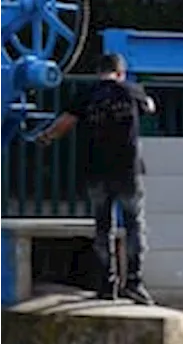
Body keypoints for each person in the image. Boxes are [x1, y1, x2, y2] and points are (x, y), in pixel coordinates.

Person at [37, 53, 157, 305]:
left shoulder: (87, 94)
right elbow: (150, 107)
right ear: (120, 72)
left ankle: (107, 284)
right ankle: (134, 283)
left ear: (98, 72)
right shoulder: (131, 91)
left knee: (103, 229)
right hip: (128, 171)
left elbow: (65, 123)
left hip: (96, 171)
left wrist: (45, 137)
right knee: (135, 226)